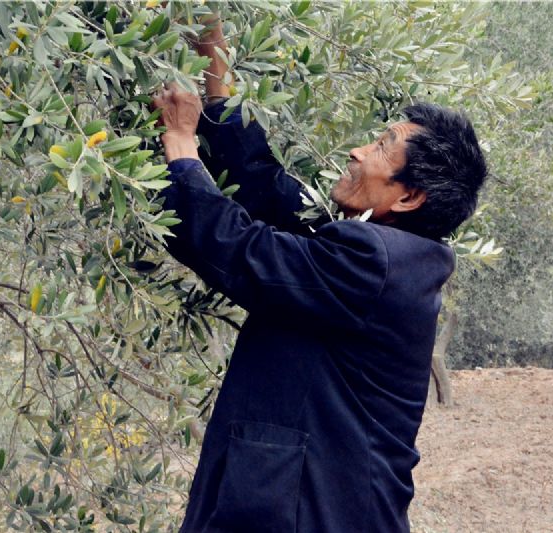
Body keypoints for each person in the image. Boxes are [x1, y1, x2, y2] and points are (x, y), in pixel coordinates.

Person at [152, 16, 487, 533]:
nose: (358, 151)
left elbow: (242, 252)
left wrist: (180, 143)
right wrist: (211, 43)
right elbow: (263, 185)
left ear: (409, 197)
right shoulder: (381, 251)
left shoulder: (374, 264)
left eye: (381, 147)